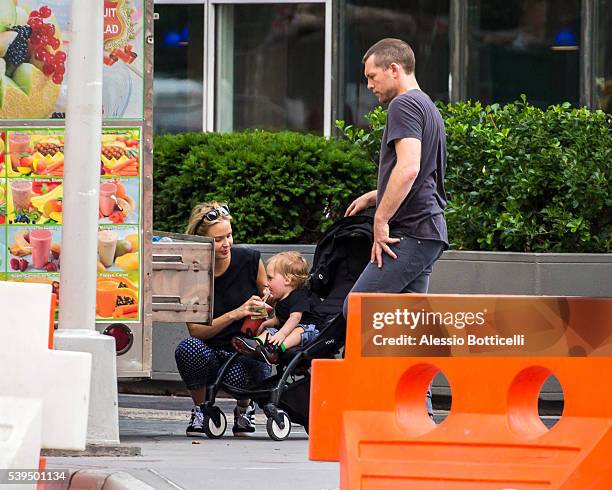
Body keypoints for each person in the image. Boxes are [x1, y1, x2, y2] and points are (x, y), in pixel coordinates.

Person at [344, 39, 449, 416]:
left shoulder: (404, 104)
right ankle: (416, 407)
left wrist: (381, 219)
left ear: (394, 69)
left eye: (372, 76)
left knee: (357, 310)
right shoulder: (427, 105)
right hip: (428, 230)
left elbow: (409, 169)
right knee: (408, 322)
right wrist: (377, 195)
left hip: (410, 231)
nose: (369, 85)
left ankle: (370, 404)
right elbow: (420, 174)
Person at [174, 201, 271, 436]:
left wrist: (260, 310)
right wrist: (236, 313)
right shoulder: (192, 272)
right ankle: (201, 410)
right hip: (208, 350)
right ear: (202, 241)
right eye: (218, 239)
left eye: (229, 235)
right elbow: (196, 331)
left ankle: (244, 410)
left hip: (242, 349)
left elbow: (267, 299)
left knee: (254, 355)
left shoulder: (249, 260)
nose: (226, 243)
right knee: (188, 348)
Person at [232, 251, 321, 365]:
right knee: (271, 331)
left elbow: (295, 317)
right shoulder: (280, 299)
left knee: (299, 330)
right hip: (288, 329)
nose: (267, 283)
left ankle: (276, 350)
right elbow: (281, 318)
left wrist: (282, 334)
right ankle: (255, 344)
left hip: (311, 330)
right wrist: (266, 323)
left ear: (287, 280)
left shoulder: (299, 295)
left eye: (270, 278)